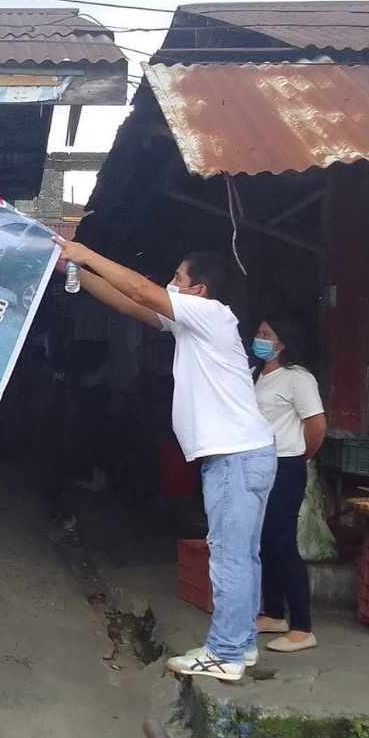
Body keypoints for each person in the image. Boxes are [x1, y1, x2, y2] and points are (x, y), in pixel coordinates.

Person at [55, 240, 276, 682]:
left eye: (177, 278)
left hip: (235, 457)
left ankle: (225, 653)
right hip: (244, 455)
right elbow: (128, 304)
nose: (169, 284)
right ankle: (242, 645)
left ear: (199, 291)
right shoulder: (193, 325)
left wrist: (85, 252)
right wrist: (72, 270)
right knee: (243, 557)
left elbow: (138, 289)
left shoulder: (210, 314)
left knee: (229, 557)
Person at [250, 315, 327, 653]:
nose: (260, 338)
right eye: (259, 332)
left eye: (267, 333)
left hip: (286, 465)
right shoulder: (257, 374)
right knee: (264, 541)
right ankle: (274, 613)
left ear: (284, 342)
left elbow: (316, 425)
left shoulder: (299, 379)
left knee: (283, 544)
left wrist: (300, 456)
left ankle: (302, 626)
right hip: (260, 463)